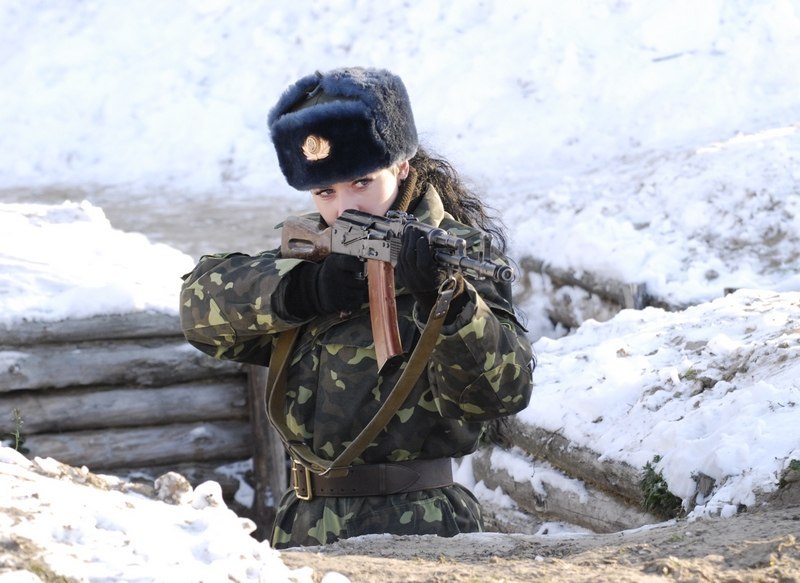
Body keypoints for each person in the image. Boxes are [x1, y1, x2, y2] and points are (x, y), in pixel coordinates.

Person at [179, 67, 534, 549]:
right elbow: (199, 310)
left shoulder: (459, 257)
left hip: (423, 529)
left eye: (362, 183)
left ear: (402, 166)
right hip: (305, 528)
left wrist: (448, 306)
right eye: (325, 192)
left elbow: (502, 394)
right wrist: (305, 291)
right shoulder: (313, 253)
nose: (346, 206)